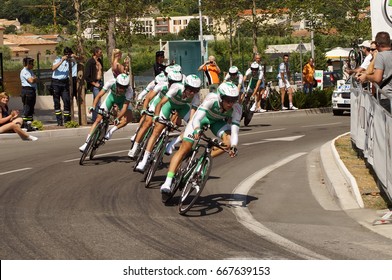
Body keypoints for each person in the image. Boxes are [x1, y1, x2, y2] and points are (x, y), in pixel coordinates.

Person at [159, 81, 241, 194]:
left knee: (228, 143)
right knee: (185, 149)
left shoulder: (237, 108)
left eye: (234, 100)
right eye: (228, 100)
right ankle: (167, 182)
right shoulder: (212, 99)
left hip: (217, 122)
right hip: (201, 119)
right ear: (220, 97)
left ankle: (203, 160)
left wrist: (234, 146)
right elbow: (197, 118)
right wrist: (197, 129)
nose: (231, 104)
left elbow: (235, 131)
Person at [135, 73, 201, 173]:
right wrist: (156, 116)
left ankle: (172, 143)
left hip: (182, 107)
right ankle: (144, 161)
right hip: (169, 104)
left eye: (195, 91)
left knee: (191, 126)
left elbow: (192, 118)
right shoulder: (176, 88)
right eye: (190, 90)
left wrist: (192, 127)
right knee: (156, 131)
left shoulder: (196, 96)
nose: (192, 93)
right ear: (185, 87)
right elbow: (161, 103)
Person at [79, 74, 134, 152]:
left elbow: (124, 108)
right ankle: (86, 143)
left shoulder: (129, 90)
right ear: (116, 83)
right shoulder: (111, 82)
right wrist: (93, 106)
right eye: (120, 86)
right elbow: (98, 95)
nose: (122, 89)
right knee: (98, 119)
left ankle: (110, 131)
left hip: (122, 102)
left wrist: (118, 118)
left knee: (128, 118)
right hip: (111, 99)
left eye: (124, 87)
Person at [357, 32, 392, 112]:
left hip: (386, 97)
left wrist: (366, 77)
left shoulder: (381, 56)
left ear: (377, 44)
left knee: (385, 124)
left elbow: (377, 78)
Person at [51, 47, 76, 126]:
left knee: (66, 101)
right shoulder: (58, 59)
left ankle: (66, 121)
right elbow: (53, 68)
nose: (68, 56)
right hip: (56, 82)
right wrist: (62, 60)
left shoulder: (71, 61)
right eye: (66, 54)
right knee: (57, 102)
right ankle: (59, 121)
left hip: (64, 82)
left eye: (69, 54)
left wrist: (74, 56)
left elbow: (82, 59)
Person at [84, 46, 103, 123]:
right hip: (95, 83)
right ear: (96, 53)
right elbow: (86, 76)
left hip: (100, 82)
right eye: (100, 52)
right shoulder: (90, 62)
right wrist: (94, 83)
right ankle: (95, 118)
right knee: (97, 101)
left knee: (98, 100)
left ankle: (96, 117)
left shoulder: (100, 61)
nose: (101, 54)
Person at [20, 57, 38, 130]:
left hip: (32, 90)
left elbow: (35, 78)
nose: (33, 65)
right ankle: (24, 125)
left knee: (31, 109)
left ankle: (29, 125)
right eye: (31, 63)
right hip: (27, 90)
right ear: (27, 64)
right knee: (27, 108)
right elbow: (31, 80)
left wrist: (34, 78)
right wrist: (34, 78)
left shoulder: (30, 71)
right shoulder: (25, 71)